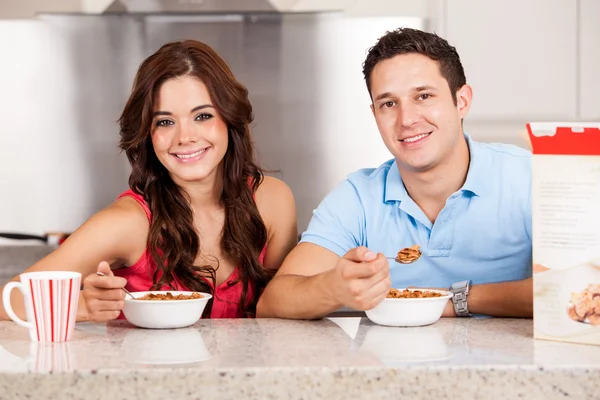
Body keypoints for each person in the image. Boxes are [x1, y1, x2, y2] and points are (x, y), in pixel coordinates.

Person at [1, 40, 298, 322]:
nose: (185, 137)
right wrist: (82, 306)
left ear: (229, 120)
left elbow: (280, 313)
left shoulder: (273, 202)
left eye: (203, 116)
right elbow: (7, 300)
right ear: (147, 134)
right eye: (165, 122)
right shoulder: (127, 223)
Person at [257, 28, 533, 319]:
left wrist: (457, 299)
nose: (407, 120)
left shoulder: (528, 178)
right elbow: (273, 302)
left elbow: (573, 289)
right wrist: (335, 288)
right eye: (389, 104)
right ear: (375, 114)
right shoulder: (358, 197)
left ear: (461, 101)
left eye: (424, 96)